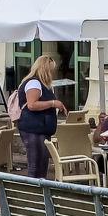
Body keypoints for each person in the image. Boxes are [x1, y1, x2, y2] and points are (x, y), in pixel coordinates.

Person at [12, 51, 64, 180]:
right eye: (51, 70)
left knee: (42, 163)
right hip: (33, 128)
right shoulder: (34, 83)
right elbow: (32, 104)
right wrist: (53, 103)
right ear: (45, 70)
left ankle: (40, 187)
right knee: (35, 163)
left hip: (42, 129)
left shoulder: (44, 85)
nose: (53, 73)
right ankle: (33, 188)